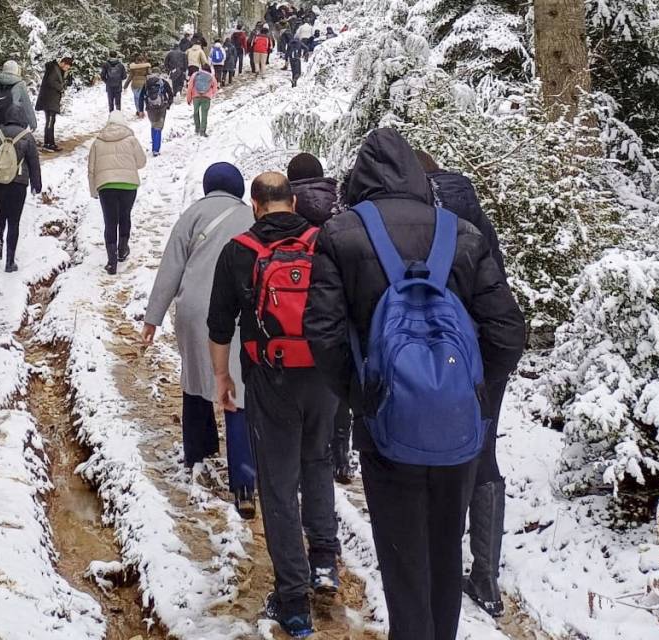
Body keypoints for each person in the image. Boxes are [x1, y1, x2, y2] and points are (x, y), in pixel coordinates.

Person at [303, 128, 526, 640]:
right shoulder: (462, 234)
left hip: (387, 429)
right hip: (456, 430)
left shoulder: (340, 235)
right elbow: (508, 332)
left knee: (403, 558)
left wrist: (365, 396)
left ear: (360, 179)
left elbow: (322, 332)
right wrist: (469, 392)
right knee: (446, 551)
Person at [208, 172, 340, 639]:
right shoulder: (322, 241)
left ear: (255, 204)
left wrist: (223, 378)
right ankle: (325, 562)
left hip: (270, 377)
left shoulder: (240, 250)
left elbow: (219, 325)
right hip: (323, 375)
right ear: (294, 201)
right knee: (318, 461)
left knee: (279, 485)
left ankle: (294, 602)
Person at [414, 149, 511, 617]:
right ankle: (487, 578)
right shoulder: (474, 212)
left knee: (442, 454)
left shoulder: (423, 220)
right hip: (493, 345)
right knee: (484, 452)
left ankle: (441, 564)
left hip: (446, 355)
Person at [143, 163, 257, 518]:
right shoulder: (251, 219)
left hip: (194, 311)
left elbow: (170, 269)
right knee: (235, 390)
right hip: (237, 312)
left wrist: (152, 318)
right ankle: (244, 484)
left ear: (208, 186)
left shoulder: (191, 215)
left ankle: (198, 456)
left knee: (195, 381)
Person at [286, 153, 353, 484]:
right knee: (339, 382)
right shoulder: (340, 203)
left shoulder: (288, 205)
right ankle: (341, 455)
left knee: (304, 385)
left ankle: (302, 458)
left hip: (299, 305)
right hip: (339, 304)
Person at [0, 105, 43, 273]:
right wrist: (36, 185)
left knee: (0, 214)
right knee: (14, 221)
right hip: (18, 183)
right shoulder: (27, 137)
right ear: (22, 119)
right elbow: (34, 163)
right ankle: (10, 261)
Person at [87, 111, 146, 274]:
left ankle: (112, 261)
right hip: (128, 185)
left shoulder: (97, 142)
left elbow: (91, 169)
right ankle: (122, 249)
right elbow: (141, 162)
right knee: (125, 216)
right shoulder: (131, 139)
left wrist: (93, 190)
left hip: (106, 186)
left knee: (110, 221)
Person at [0, 61, 37, 132]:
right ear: (16, 70)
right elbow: (27, 105)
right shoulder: (20, 84)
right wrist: (33, 123)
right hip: (13, 123)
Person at [36, 57, 72, 152]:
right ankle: (48, 143)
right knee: (50, 121)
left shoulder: (58, 70)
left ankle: (50, 142)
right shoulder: (54, 69)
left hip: (51, 100)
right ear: (63, 63)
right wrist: (61, 88)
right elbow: (51, 81)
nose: (67, 68)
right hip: (49, 99)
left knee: (51, 121)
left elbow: (62, 82)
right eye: (67, 66)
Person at [144, 74, 174, 157]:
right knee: (159, 127)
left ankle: (154, 146)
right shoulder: (163, 83)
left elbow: (141, 96)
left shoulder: (147, 83)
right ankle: (156, 149)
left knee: (153, 126)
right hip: (161, 107)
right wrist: (169, 104)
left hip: (150, 108)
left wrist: (141, 108)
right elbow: (170, 93)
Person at [186, 66, 218, 137]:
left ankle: (197, 128)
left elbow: (190, 87)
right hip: (206, 97)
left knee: (196, 112)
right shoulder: (211, 76)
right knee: (204, 114)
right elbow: (215, 88)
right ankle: (202, 131)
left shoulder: (195, 75)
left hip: (196, 96)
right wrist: (211, 94)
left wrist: (189, 98)